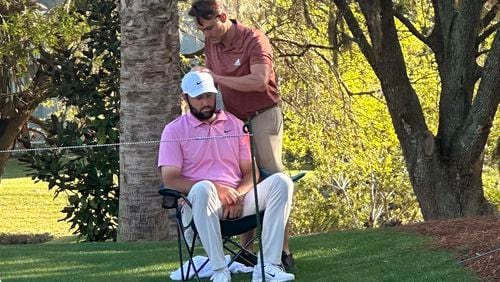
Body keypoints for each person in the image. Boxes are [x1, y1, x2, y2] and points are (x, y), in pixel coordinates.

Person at [187, 0, 295, 271]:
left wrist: (216, 77)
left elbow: (259, 80)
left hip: (263, 114)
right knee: (242, 176)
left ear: (223, 16)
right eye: (203, 30)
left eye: (210, 28)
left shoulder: (254, 39)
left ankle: (283, 252)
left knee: (273, 176)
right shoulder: (212, 43)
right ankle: (247, 251)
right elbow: (212, 82)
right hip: (234, 119)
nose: (207, 35)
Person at [158, 71, 295, 282]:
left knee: (281, 182)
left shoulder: (235, 124)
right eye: (198, 97)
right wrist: (220, 191)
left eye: (209, 96)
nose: (205, 102)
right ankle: (219, 270)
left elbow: (252, 171)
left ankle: (268, 266)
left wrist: (237, 195)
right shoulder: (173, 131)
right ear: (186, 98)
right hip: (197, 204)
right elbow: (171, 179)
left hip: (238, 200)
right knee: (204, 188)